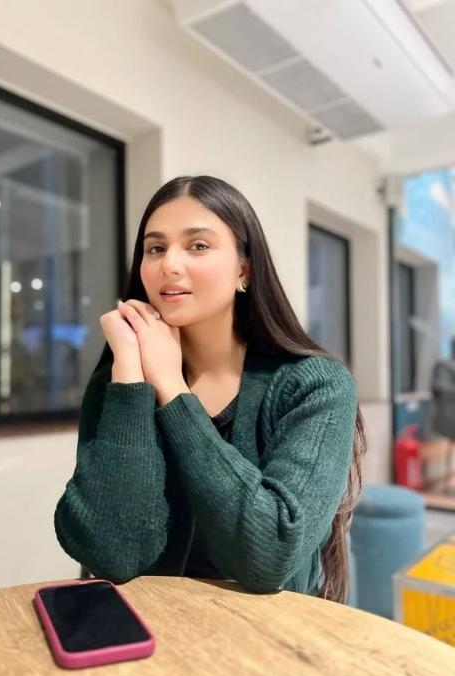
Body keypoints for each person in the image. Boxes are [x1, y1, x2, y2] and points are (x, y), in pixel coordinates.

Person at [54, 175, 367, 603]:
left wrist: (171, 388)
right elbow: (112, 554)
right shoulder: (119, 380)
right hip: (150, 627)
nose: (169, 264)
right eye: (155, 248)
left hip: (267, 634)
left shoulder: (315, 385)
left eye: (198, 245)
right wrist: (130, 372)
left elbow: (270, 555)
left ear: (244, 270)